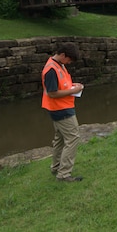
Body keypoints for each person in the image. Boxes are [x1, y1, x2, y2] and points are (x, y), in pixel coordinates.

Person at [41, 42, 85, 182]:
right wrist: (73, 91)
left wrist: (73, 86)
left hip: (61, 107)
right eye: (69, 59)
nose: (70, 62)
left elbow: (62, 85)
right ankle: (64, 174)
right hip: (61, 110)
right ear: (62, 55)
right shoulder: (51, 70)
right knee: (73, 138)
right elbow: (52, 93)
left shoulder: (59, 64)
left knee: (60, 140)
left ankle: (56, 167)